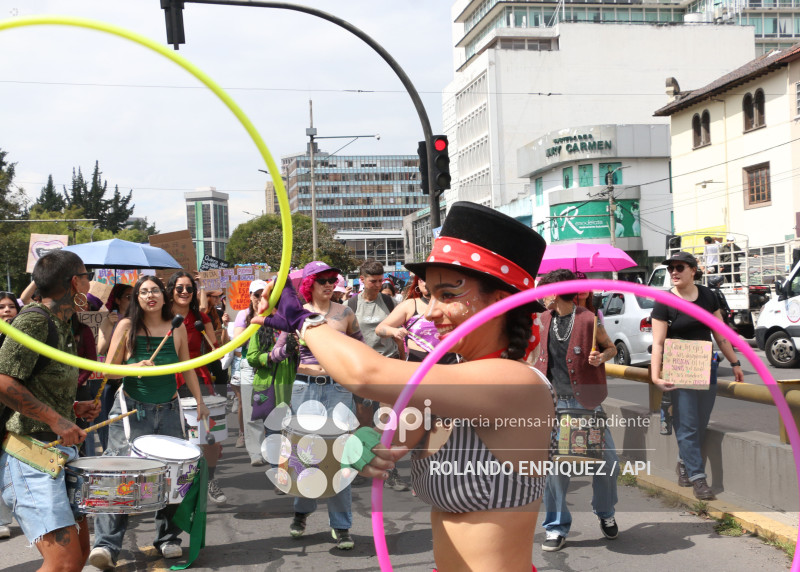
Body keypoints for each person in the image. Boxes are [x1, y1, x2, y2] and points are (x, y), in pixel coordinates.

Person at [254, 202, 556, 571]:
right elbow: (391, 442)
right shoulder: (454, 376)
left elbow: (367, 374)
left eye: (448, 295)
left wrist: (304, 319)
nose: (429, 312)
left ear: (499, 300)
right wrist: (368, 448)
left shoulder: (514, 383)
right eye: (429, 295)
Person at [89, 275, 209, 570]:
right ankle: (106, 545)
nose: (150, 296)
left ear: (164, 296)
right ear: (137, 299)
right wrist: (133, 365)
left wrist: (200, 401)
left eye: (155, 290)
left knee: (171, 475)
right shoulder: (126, 326)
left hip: (168, 409)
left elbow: (188, 368)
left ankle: (168, 538)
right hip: (130, 411)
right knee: (117, 476)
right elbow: (110, 372)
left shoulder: (176, 327)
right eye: (143, 292)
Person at [0, 250, 101, 572]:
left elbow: (37, 383)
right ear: (75, 282)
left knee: (79, 554)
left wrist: (72, 409)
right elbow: (3, 381)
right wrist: (56, 419)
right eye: (87, 276)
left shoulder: (64, 322)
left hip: (57, 452)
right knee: (62, 562)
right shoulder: (34, 319)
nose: (90, 282)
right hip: (30, 453)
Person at [271, 261, 364, 550]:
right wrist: (287, 348)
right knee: (306, 456)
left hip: (338, 390)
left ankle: (341, 526)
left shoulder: (346, 313)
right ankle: (301, 513)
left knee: (339, 459)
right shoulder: (297, 315)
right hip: (305, 389)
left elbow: (361, 351)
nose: (328, 283)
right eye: (321, 279)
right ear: (310, 283)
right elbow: (274, 353)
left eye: (332, 278)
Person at [534, 269, 619, 553]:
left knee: (608, 463)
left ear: (557, 292)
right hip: (553, 406)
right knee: (556, 469)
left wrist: (601, 357)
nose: (540, 295)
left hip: (586, 405)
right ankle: (556, 528)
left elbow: (611, 350)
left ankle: (605, 512)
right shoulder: (542, 319)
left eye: (544, 289)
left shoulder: (589, 320)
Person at [650, 251, 744, 501]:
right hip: (678, 366)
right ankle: (698, 478)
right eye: (670, 269)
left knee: (701, 421)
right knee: (688, 422)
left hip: (705, 363)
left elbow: (720, 333)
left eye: (679, 267)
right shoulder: (664, 301)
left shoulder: (708, 296)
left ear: (694, 270)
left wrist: (735, 362)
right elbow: (658, 343)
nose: (674, 272)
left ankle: (683, 462)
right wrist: (655, 375)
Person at [167, 271, 227, 505]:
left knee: (208, 433)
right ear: (171, 290)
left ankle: (210, 478)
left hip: (197, 378)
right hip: (167, 379)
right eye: (179, 288)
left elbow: (214, 348)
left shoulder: (201, 317)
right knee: (176, 435)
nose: (184, 292)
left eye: (189, 289)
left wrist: (216, 347)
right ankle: (181, 483)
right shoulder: (162, 317)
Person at [231, 280, 270, 466]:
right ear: (250, 296)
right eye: (256, 294)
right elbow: (237, 342)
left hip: (272, 366)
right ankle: (255, 452)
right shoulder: (244, 314)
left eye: (264, 294)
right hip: (249, 367)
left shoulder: (275, 312)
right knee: (251, 412)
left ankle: (272, 449)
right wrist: (254, 324)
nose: (260, 298)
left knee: (273, 411)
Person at [96, 283, 134, 450]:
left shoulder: (141, 320)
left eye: (135, 296)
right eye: (127, 297)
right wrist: (111, 326)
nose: (132, 300)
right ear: (117, 300)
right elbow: (100, 349)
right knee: (113, 429)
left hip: (133, 383)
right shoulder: (110, 319)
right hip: (113, 384)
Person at [347, 259, 398, 358]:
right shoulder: (350, 305)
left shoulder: (390, 302)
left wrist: (403, 360)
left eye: (380, 280)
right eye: (373, 281)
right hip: (362, 360)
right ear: (362, 279)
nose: (378, 285)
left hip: (389, 359)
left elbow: (398, 336)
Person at [0, 291, 19, 539]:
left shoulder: (23, 339)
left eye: (11, 307)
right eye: (1, 307)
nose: (6, 311)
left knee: (7, 466)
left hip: (15, 412)